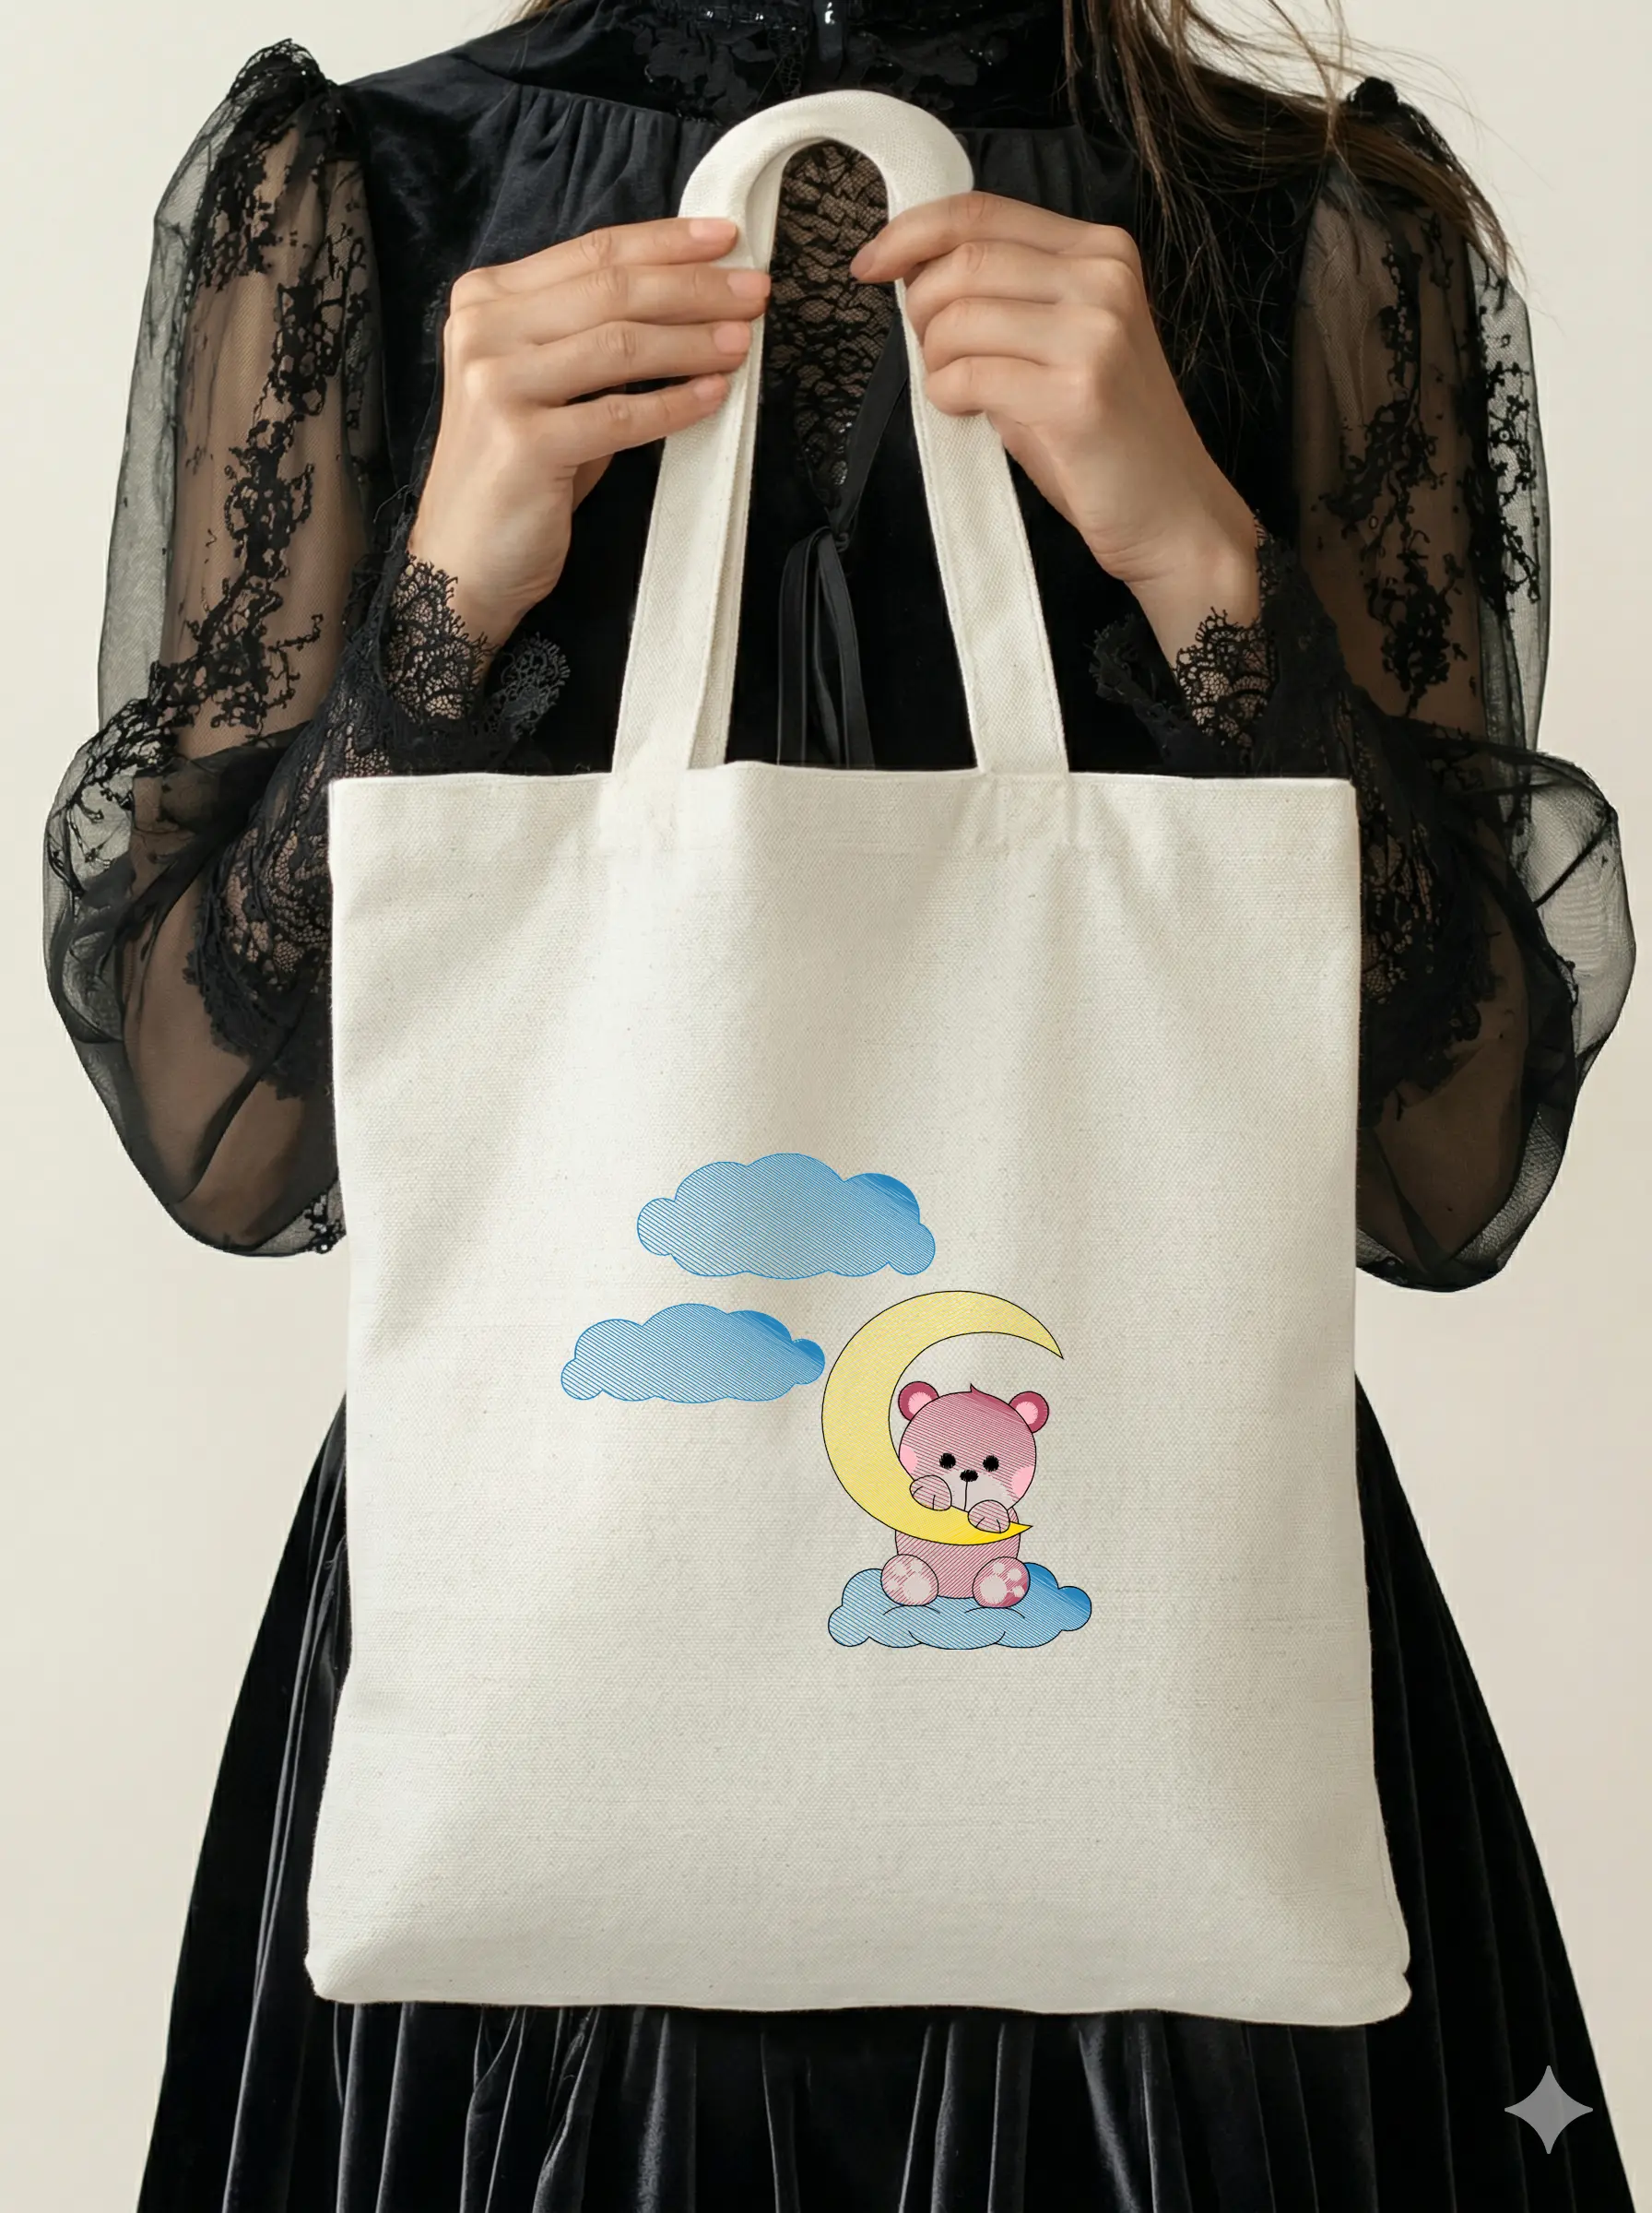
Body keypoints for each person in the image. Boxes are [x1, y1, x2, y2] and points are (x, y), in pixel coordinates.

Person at [41, 0, 1638, 2205]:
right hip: (555, 1626)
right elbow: (228, 1139)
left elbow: (1434, 1172)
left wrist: (1203, 570)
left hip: (1162, 1653)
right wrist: (443, 600)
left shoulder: (1315, 226)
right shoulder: (368, 203)